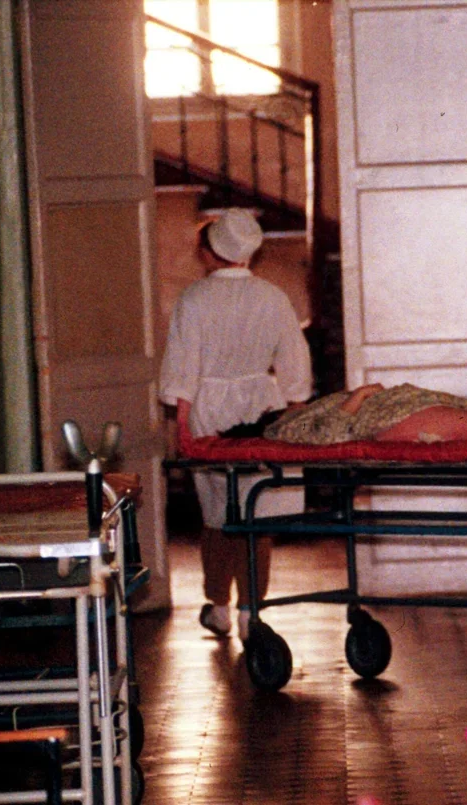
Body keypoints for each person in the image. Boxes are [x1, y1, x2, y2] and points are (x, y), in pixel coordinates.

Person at [159, 208, 313, 640]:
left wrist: (182, 428)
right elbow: (294, 360)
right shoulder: (272, 297)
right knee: (256, 515)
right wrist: (294, 409)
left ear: (210, 251)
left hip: (210, 411)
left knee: (217, 514)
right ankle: (250, 610)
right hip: (262, 408)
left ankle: (219, 605)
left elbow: (183, 369)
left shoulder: (194, 299)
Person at [259, 382, 467, 445]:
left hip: (405, 406)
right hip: (395, 418)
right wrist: (358, 397)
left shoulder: (298, 414)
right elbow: (328, 436)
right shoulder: (279, 428)